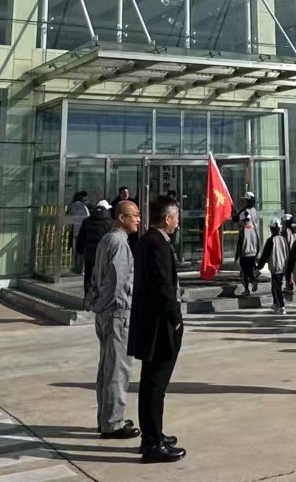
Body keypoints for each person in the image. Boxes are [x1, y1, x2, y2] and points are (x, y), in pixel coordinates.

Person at [131, 195, 186, 463]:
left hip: (150, 321)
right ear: (166, 219)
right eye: (176, 217)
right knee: (155, 385)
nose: (178, 222)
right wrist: (175, 318)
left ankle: (153, 434)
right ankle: (153, 443)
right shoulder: (157, 244)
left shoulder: (147, 241)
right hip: (158, 325)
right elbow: (163, 286)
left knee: (150, 383)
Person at [91, 197, 142, 440]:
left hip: (105, 313)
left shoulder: (107, 240)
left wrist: (96, 304)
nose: (138, 220)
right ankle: (113, 422)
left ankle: (106, 417)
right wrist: (110, 305)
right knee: (117, 370)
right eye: (135, 215)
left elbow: (96, 275)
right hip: (117, 313)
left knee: (106, 368)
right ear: (122, 218)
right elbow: (116, 282)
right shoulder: (119, 243)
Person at [257, 212, 292, 314]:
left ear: (272, 229)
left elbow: (265, 255)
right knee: (276, 286)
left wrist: (259, 267)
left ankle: (281, 306)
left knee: (277, 288)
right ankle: (276, 303)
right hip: (283, 266)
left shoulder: (270, 240)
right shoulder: (283, 239)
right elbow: (288, 253)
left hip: (276, 267)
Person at [78, 199, 113, 299]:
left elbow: (81, 239)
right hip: (103, 257)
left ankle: (87, 298)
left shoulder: (86, 221)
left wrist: (80, 251)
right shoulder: (109, 222)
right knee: (102, 279)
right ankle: (99, 299)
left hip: (89, 256)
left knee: (88, 277)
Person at [237, 209, 261, 296]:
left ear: (242, 221)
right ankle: (253, 280)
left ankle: (246, 289)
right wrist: (257, 253)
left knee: (244, 273)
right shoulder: (254, 229)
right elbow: (258, 242)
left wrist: (238, 255)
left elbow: (239, 244)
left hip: (245, 255)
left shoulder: (242, 230)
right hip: (253, 254)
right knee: (250, 271)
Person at [65, 192, 91, 272]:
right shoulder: (82, 207)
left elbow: (68, 218)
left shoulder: (73, 206)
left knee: (76, 250)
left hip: (76, 231)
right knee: (81, 250)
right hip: (82, 231)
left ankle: (76, 267)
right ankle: (80, 267)